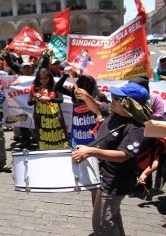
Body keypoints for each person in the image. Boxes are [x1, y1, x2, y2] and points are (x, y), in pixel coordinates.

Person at [72, 82, 152, 235]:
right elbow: (97, 107)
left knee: (102, 225)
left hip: (114, 181)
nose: (112, 99)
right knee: (112, 217)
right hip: (100, 176)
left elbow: (123, 156)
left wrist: (91, 151)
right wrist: (86, 97)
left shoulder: (135, 128)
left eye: (116, 98)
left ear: (128, 104)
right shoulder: (114, 112)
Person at [55, 69, 109, 147]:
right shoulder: (76, 96)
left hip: (89, 136)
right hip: (82, 137)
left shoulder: (99, 97)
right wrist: (67, 73)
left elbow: (108, 110)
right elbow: (58, 88)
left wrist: (100, 115)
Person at [27, 68, 69, 150]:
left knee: (58, 136)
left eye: (45, 78)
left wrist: (50, 99)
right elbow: (29, 103)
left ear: (49, 77)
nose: (43, 80)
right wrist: (35, 98)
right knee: (43, 138)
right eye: (41, 78)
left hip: (55, 118)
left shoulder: (55, 86)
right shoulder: (35, 87)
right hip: (41, 119)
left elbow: (61, 100)